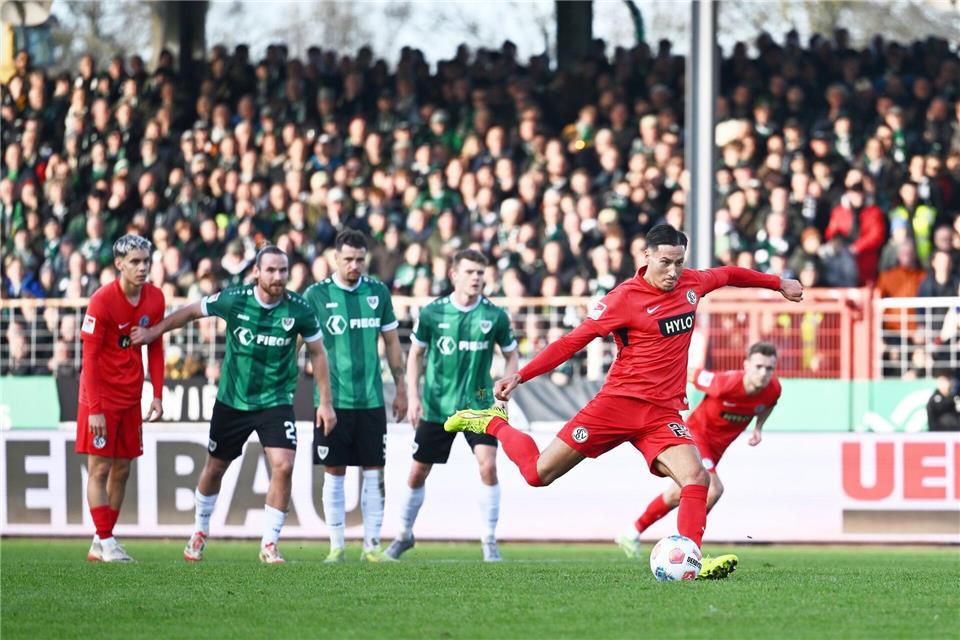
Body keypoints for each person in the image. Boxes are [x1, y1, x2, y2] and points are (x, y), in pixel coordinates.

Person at [444, 225, 803, 578]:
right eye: (665, 262)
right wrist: (521, 375)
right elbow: (572, 342)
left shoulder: (692, 283)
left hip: (662, 412)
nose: (673, 271)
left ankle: (691, 558)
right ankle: (492, 422)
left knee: (696, 478)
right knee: (537, 474)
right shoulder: (622, 299)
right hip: (617, 405)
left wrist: (778, 283)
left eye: (679, 262)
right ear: (646, 256)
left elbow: (728, 274)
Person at [132, 246, 336, 564]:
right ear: (256, 272)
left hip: (276, 401)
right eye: (271, 270)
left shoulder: (300, 309)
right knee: (215, 468)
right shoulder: (234, 299)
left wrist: (325, 402)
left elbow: (318, 353)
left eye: (283, 270)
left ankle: (269, 543)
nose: (278, 276)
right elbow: (191, 311)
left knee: (284, 465)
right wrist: (154, 331)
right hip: (233, 401)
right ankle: (200, 531)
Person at [386, 249, 519, 562]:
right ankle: (404, 534)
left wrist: (508, 384)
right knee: (418, 472)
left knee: (488, 465)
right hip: (437, 405)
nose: (476, 279)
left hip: (481, 404)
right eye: (470, 272)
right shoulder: (433, 313)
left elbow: (511, 353)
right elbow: (415, 354)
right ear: (454, 275)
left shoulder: (494, 315)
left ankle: (489, 540)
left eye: (480, 274)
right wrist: (414, 396)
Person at [618, 342, 782, 557]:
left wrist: (758, 428)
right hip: (697, 437)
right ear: (746, 365)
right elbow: (690, 373)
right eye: (758, 367)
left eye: (769, 368)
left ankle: (631, 533)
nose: (764, 373)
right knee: (713, 490)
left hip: (716, 450)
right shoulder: (725, 384)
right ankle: (688, 549)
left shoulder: (773, 389)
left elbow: (769, 404)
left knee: (677, 494)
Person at [303, 230, 407, 563]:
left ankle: (371, 546)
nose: (354, 265)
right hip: (332, 402)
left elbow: (391, 343)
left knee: (374, 470)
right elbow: (299, 343)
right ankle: (336, 546)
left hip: (372, 400)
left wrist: (401, 387)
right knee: (334, 471)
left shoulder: (377, 292)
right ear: (335, 258)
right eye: (348, 259)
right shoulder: (316, 295)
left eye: (360, 259)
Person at [77, 234, 165, 563]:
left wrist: (156, 392)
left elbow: (155, 344)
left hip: (131, 396)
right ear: (119, 264)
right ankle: (106, 540)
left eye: (146, 262)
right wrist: (95, 410)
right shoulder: (101, 301)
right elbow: (89, 358)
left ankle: (102, 542)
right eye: (135, 263)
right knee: (99, 470)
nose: (143, 268)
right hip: (99, 398)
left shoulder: (155, 298)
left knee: (123, 470)